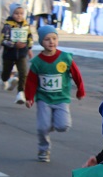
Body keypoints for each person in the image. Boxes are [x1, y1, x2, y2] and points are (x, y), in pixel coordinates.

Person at [24, 25, 85, 162]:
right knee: (42, 128)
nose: (51, 42)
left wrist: (80, 90)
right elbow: (31, 81)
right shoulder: (37, 62)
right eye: (47, 39)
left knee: (63, 126)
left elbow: (76, 74)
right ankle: (43, 150)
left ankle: (49, 122)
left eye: (54, 38)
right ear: (41, 42)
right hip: (43, 99)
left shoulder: (65, 58)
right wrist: (29, 97)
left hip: (61, 98)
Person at [0, 3, 32, 105]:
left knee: (23, 73)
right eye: (16, 13)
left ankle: (20, 93)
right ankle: (6, 80)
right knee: (6, 72)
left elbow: (29, 37)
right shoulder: (8, 25)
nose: (19, 15)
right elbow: (3, 40)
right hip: (9, 54)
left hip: (22, 54)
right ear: (12, 14)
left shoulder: (26, 25)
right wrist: (14, 45)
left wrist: (29, 48)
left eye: (21, 13)